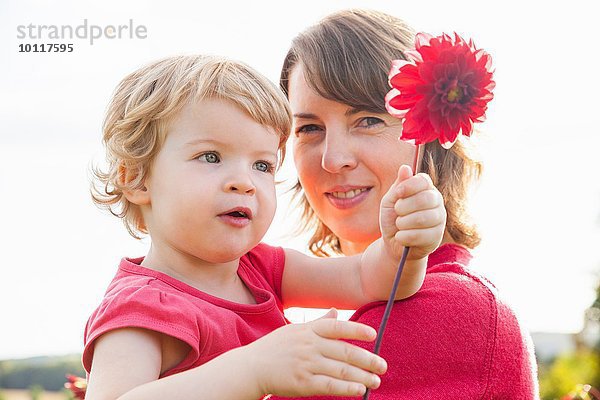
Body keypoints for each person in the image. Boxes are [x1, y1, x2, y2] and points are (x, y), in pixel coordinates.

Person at [83, 54, 447, 399]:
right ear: (136, 179)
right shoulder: (142, 308)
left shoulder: (260, 269)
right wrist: (253, 369)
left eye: (263, 165)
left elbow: (368, 281)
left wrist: (401, 247)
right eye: (210, 156)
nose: (244, 182)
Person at [276, 9, 539, 399]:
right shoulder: (319, 306)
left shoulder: (454, 309)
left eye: (368, 120)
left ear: (430, 131)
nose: (333, 159)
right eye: (310, 128)